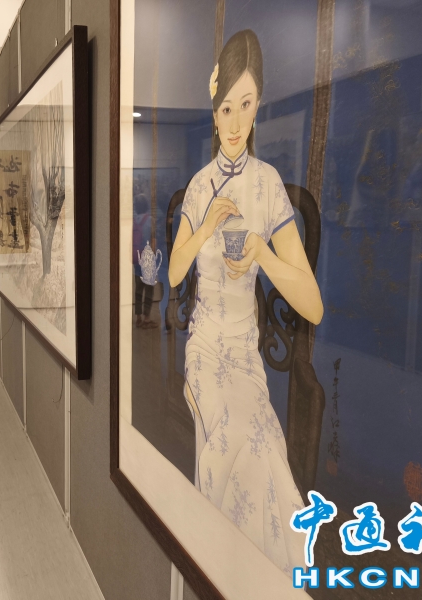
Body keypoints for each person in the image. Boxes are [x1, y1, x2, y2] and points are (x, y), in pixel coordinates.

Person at [167, 30, 323, 574]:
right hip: (206, 348)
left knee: (266, 451)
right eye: (226, 108)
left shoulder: (269, 185)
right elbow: (174, 273)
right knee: (238, 437)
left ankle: (258, 576)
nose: (235, 124)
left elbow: (313, 306)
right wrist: (205, 225)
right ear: (214, 113)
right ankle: (222, 567)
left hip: (245, 355)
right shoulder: (198, 186)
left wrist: (262, 252)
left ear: (258, 107)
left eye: (247, 105)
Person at [132, 193, 156, 328]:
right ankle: (147, 318)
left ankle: (138, 317)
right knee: (149, 289)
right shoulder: (150, 220)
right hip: (148, 258)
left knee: (138, 289)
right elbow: (153, 239)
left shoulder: (133, 220)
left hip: (136, 257)